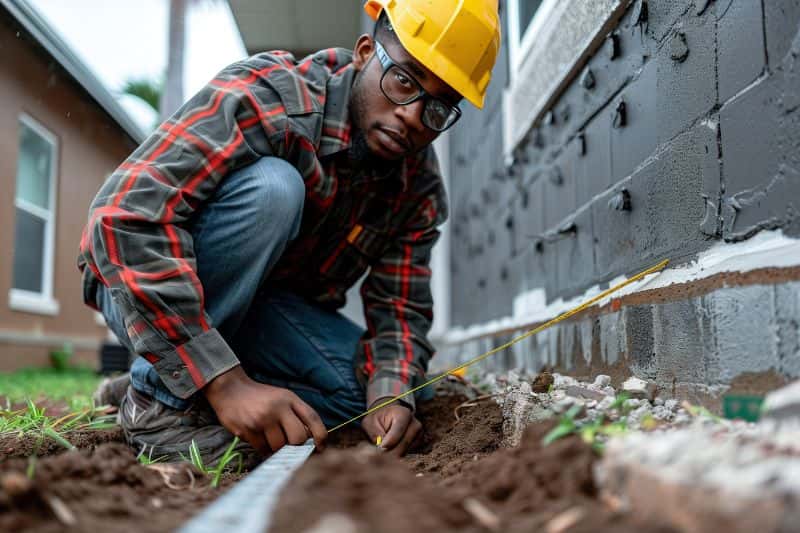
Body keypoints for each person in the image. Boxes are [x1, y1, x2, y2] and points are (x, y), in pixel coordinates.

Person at [82, 0, 500, 464]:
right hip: (142, 282)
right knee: (275, 191)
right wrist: (226, 384)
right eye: (404, 80)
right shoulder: (273, 98)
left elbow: (399, 308)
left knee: (364, 396)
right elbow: (122, 218)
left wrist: (390, 396)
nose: (413, 116)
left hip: (263, 311)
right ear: (364, 51)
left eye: (438, 109)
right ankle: (160, 405)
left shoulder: (416, 186)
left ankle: (159, 378)